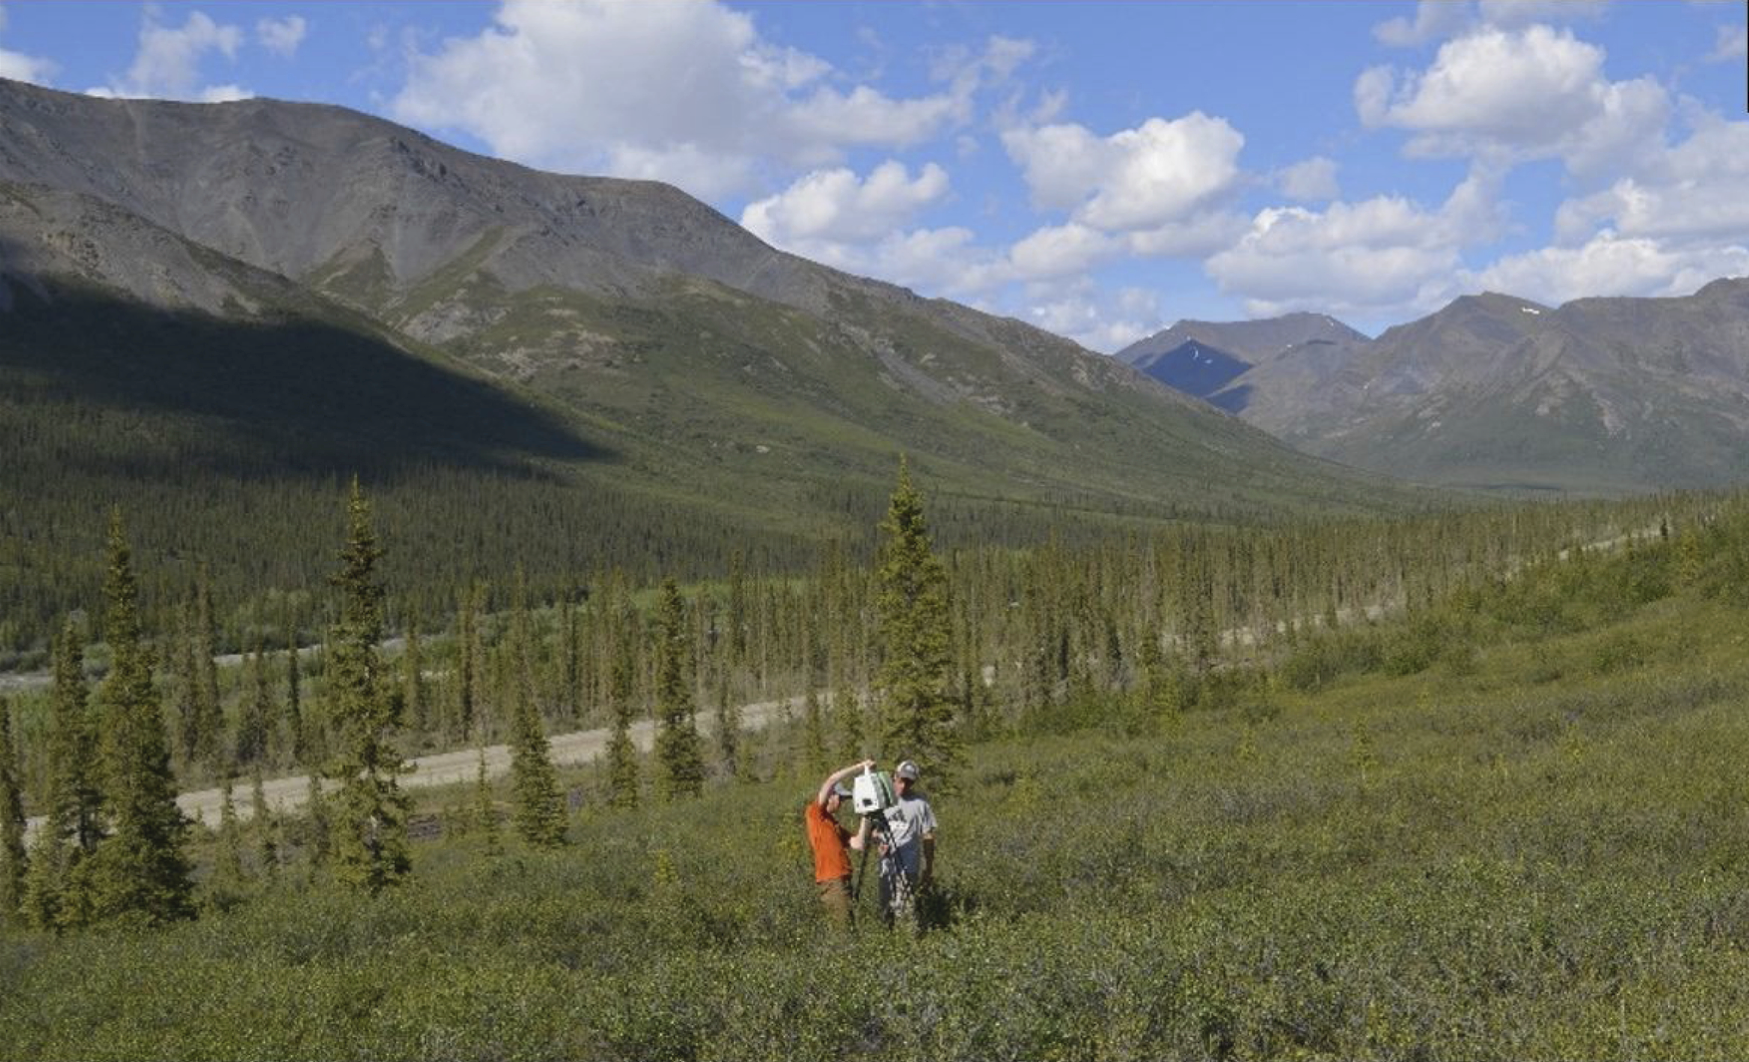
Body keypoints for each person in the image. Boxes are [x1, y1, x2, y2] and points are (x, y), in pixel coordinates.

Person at [805, 759, 873, 926]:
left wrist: (866, 816)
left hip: (843, 881)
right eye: (840, 798)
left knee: (848, 926)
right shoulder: (815, 814)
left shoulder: (833, 824)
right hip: (833, 881)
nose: (842, 803)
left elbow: (858, 844)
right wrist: (860, 767)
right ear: (831, 796)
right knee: (843, 931)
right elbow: (832, 780)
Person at [877, 758, 937, 930]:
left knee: (906, 912)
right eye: (901, 780)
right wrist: (879, 842)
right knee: (886, 910)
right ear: (894, 776)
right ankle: (887, 945)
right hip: (886, 866)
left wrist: (929, 867)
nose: (903, 786)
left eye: (909, 782)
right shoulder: (883, 800)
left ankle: (908, 946)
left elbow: (928, 835)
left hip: (908, 867)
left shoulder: (920, 803)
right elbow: (874, 831)